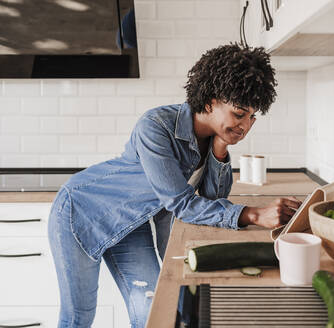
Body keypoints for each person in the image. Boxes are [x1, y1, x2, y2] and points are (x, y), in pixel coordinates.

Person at [47, 43, 302, 328]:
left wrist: (219, 149)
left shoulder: (214, 136)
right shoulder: (155, 126)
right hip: (80, 211)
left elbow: (213, 197)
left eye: (252, 117)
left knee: (151, 312)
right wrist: (253, 214)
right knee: (78, 317)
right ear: (209, 102)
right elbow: (180, 203)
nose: (245, 126)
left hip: (132, 222)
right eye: (239, 113)